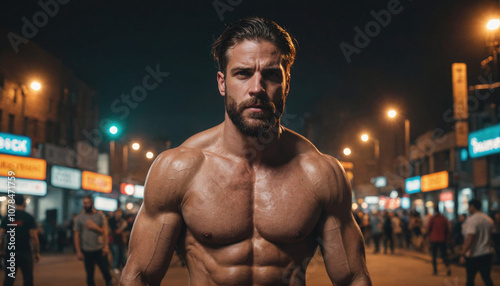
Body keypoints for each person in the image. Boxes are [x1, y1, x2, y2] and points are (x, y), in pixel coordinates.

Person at [121, 17, 371, 285]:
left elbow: (353, 278)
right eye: (243, 73)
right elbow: (139, 277)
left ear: (287, 84)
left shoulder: (321, 173)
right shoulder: (179, 169)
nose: (257, 88)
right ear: (221, 82)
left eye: (272, 75)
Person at [0, 194, 40, 286]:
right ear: (24, 202)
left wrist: (1, 250)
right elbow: (33, 237)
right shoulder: (29, 217)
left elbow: (1, 235)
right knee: (27, 279)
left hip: (10, 253)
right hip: (25, 253)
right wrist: (37, 252)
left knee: (9, 280)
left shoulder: (7, 217)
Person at [74, 196, 112, 286]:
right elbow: (76, 236)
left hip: (99, 250)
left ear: (92, 203)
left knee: (106, 273)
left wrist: (105, 246)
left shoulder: (100, 216)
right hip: (87, 250)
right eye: (84, 203)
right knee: (90, 276)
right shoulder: (80, 218)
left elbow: (105, 232)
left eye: (87, 203)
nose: (85, 205)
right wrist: (78, 251)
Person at [460, 199, 494, 286]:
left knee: (470, 280)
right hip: (486, 253)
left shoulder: (472, 220)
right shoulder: (488, 219)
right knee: (487, 278)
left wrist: (463, 252)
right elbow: (490, 237)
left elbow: (470, 237)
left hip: (474, 255)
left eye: (469, 207)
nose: (468, 209)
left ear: (472, 207)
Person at [427, 206, 451, 276]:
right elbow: (447, 229)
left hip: (434, 239)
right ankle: (448, 268)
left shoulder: (432, 219)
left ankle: (435, 270)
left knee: (434, 256)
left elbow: (428, 229)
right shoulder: (443, 219)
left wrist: (429, 236)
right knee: (444, 255)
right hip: (442, 239)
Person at [108, 208, 128, 274]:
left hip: (121, 241)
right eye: (117, 212)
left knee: (122, 255)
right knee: (116, 255)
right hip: (113, 241)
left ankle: (124, 268)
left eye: (120, 213)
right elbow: (116, 232)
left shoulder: (122, 220)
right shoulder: (112, 220)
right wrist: (123, 227)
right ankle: (115, 268)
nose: (119, 214)